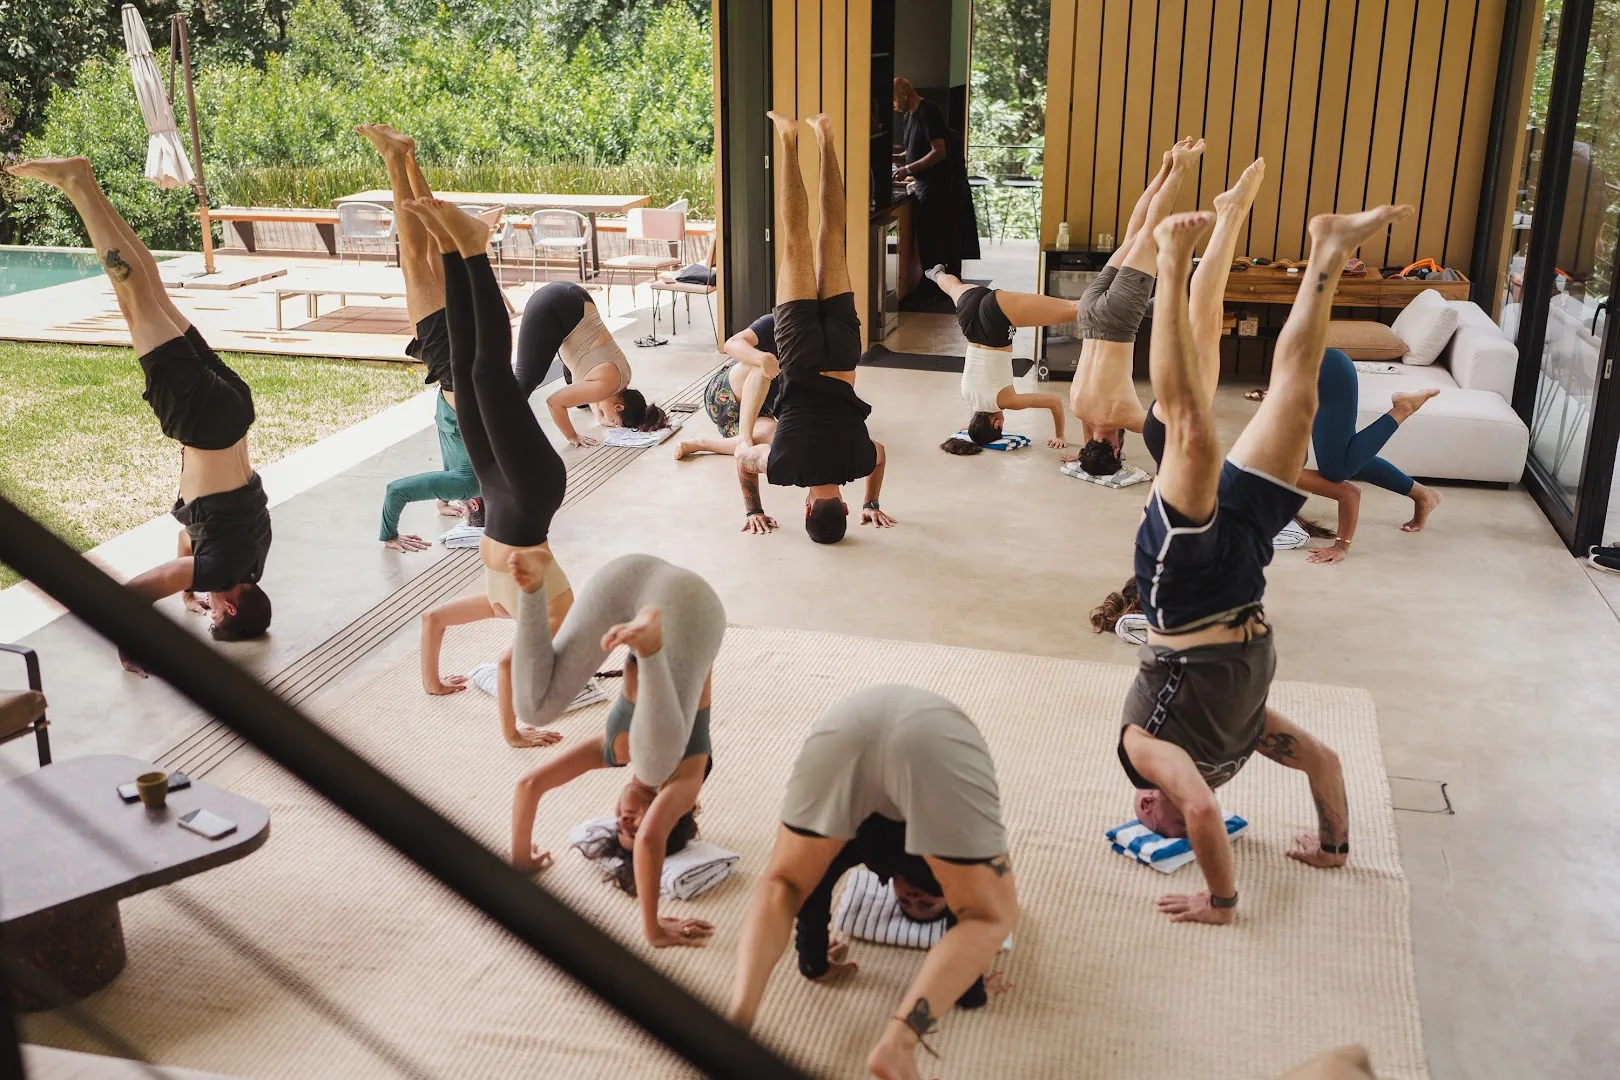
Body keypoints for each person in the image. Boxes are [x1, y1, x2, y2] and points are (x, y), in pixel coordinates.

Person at [1117, 203, 1413, 924]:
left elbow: (1204, 812)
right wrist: (1334, 847)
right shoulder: (1242, 737)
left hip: (1182, 592)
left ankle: (1171, 260)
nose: (1162, 820)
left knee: (1187, 427)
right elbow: (1325, 763)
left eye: (1165, 826)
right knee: (1299, 397)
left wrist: (1221, 901)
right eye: (1167, 830)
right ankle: (1327, 248)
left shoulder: (1145, 755)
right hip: (1246, 569)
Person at [7, 157, 273, 665]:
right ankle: (78, 183)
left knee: (147, 293)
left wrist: (189, 591)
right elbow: (134, 593)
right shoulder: (219, 569)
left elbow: (185, 541)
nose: (212, 610)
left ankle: (83, 183)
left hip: (235, 410)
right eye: (218, 614)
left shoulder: (251, 560)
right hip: (200, 421)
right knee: (132, 295)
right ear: (233, 610)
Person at [729, 684, 1017, 1080]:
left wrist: (813, 962)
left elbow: (807, 891)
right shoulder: (920, 857)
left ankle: (736, 1021)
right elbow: (971, 919)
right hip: (935, 743)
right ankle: (898, 1046)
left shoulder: (852, 843)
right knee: (990, 916)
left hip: (847, 721)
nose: (913, 897)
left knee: (785, 882)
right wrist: (971, 984)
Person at [403, 196, 575, 747]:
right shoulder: (545, 623)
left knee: (462, 367)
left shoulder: (501, 602)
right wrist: (515, 734)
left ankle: (455, 248)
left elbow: (433, 621)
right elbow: (504, 671)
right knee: (487, 373)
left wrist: (432, 683)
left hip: (499, 496)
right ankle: (472, 251)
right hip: (531, 493)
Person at [506, 552, 724, 949]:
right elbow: (650, 843)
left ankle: (534, 589)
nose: (629, 818)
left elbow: (530, 784)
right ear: (673, 815)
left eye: (622, 825)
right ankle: (650, 647)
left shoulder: (614, 750)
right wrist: (653, 929)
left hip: (628, 578)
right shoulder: (688, 776)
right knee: (654, 766)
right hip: (693, 605)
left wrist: (520, 857)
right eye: (640, 824)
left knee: (533, 709)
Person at [734, 112, 894, 544]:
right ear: (807, 507)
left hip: (843, 354)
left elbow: (880, 455)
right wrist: (753, 509)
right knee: (796, 239)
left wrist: (872, 501)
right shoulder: (784, 469)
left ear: (842, 506)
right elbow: (744, 460)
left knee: (832, 235)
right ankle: (788, 137)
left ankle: (824, 137)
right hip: (799, 357)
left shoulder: (859, 462)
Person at [354, 125, 482, 554]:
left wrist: (449, 498)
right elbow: (396, 491)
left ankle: (408, 156)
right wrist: (388, 535)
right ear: (473, 505)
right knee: (413, 259)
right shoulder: (468, 481)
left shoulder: (497, 471)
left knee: (437, 248)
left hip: (481, 350)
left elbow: (457, 451)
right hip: (454, 366)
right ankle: (393, 158)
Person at [789, 813, 1008, 1009]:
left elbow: (812, 883)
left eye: (904, 901)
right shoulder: (967, 872)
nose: (914, 898)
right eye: (925, 905)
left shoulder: (873, 848)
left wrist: (813, 962)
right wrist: (973, 992)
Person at [1289, 349, 1443, 563]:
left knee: (1336, 468)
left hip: (1324, 369)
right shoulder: (1275, 474)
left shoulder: (1281, 475)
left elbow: (1349, 493)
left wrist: (1341, 546)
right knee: (1344, 459)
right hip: (1320, 369)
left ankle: (1402, 410)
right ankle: (1423, 495)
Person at [924, 266, 1071, 454]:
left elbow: (1055, 402)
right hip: (969, 319)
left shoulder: (1006, 401)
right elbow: (978, 416)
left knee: (1074, 309)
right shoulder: (967, 395)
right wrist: (972, 431)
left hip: (996, 322)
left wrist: (1059, 435)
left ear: (997, 423)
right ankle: (937, 274)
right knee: (953, 287)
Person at [513, 281, 668, 447]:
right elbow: (554, 403)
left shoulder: (624, 377)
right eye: (615, 421)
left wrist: (600, 417)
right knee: (526, 379)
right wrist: (572, 436)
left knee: (579, 397)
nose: (612, 423)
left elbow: (595, 391)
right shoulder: (602, 387)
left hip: (578, 298)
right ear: (618, 407)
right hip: (554, 305)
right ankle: (491, 429)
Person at [892, 78, 977, 278]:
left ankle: (939, 288)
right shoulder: (909, 117)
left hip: (937, 187)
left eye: (894, 100)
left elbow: (939, 151)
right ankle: (931, 285)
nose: (894, 106)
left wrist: (909, 169)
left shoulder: (928, 112)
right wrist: (897, 158)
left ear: (904, 95)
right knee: (927, 241)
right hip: (923, 185)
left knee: (936, 241)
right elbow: (915, 148)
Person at [673, 311, 783, 459]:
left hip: (756, 409)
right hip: (724, 392)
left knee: (779, 440)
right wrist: (761, 358)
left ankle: (701, 444)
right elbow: (731, 344)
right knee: (762, 366)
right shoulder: (775, 322)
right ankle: (744, 437)